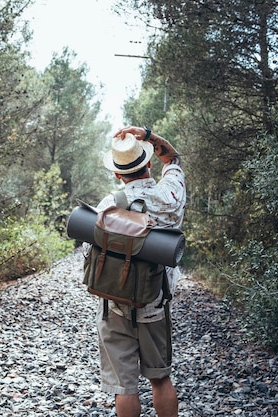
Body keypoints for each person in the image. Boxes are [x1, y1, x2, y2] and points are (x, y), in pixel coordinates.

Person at [92, 125, 186, 417]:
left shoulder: (109, 205)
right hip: (154, 303)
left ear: (118, 174)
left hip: (116, 306)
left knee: (125, 387)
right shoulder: (170, 195)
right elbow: (173, 160)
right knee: (160, 378)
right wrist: (148, 136)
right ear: (148, 163)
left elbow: (90, 250)